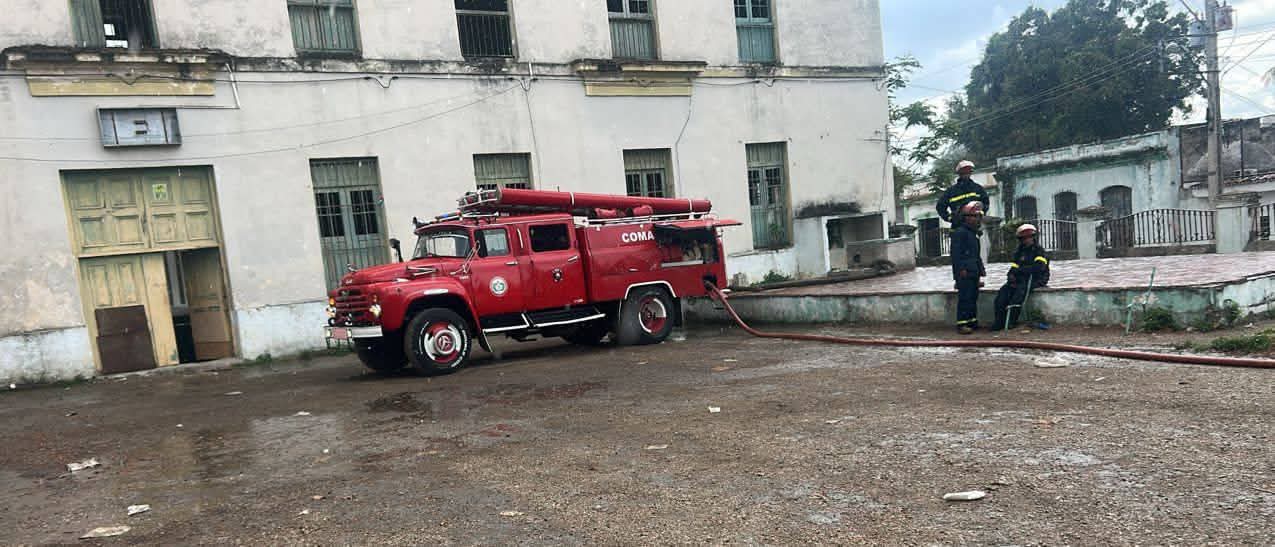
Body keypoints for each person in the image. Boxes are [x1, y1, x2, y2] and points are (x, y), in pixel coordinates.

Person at [994, 223, 1051, 330]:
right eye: (1023, 238)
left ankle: (1011, 321)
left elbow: (1038, 268)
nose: (1026, 240)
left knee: (1018, 295)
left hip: (1035, 279)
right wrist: (1010, 275)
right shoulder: (1019, 252)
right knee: (1002, 295)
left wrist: (1019, 271)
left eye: (1029, 237)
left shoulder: (1039, 251)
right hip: (1020, 279)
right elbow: (1013, 268)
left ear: (1033, 238)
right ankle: (999, 322)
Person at [951, 201, 986, 334]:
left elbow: (976, 254)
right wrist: (960, 271)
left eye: (978, 217)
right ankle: (962, 324)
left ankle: (972, 321)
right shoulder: (960, 233)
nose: (977, 219)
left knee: (973, 297)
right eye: (975, 216)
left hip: (973, 270)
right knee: (965, 297)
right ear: (967, 217)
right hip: (964, 272)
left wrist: (980, 270)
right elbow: (956, 255)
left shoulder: (973, 234)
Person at [936, 160, 991, 224]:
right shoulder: (951, 191)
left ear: (970, 173)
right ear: (959, 173)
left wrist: (981, 214)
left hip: (974, 226)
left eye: (968, 172)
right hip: (958, 225)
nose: (966, 174)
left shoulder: (978, 189)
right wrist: (950, 218)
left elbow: (986, 203)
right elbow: (940, 207)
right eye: (964, 172)